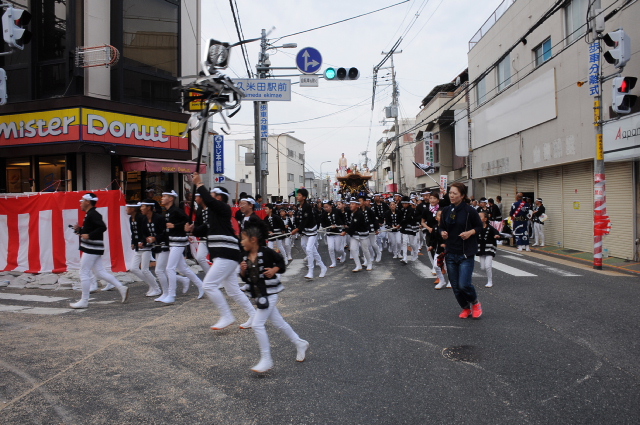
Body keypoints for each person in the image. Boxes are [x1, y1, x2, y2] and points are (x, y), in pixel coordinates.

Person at [239, 221, 309, 373]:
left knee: (257, 324)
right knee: (279, 323)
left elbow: (281, 263)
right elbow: (245, 278)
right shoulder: (246, 256)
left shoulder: (267, 252)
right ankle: (299, 343)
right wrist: (243, 271)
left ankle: (267, 359)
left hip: (270, 294)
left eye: (244, 239)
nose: (241, 242)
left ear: (253, 240)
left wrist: (274, 269)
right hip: (259, 295)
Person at [190, 173, 256, 330]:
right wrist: (191, 229)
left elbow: (210, 201)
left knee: (209, 285)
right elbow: (203, 229)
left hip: (227, 253)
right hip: (224, 254)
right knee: (233, 291)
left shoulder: (224, 208)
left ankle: (227, 316)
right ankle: (254, 315)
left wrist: (199, 184)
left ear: (219, 197)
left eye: (212, 195)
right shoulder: (213, 215)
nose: (208, 197)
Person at [70, 193, 128, 309]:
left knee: (84, 272)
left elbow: (102, 227)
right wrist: (80, 230)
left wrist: (89, 235)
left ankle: (84, 300)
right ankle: (121, 287)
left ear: (88, 202)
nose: (80, 203)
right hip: (94, 248)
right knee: (99, 272)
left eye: (82, 201)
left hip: (92, 248)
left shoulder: (93, 214)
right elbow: (92, 229)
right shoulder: (91, 214)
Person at [440, 183, 484, 319]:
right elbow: (441, 227)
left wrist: (470, 232)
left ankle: (475, 303)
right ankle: (465, 308)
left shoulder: (470, 211)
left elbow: (479, 226)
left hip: (466, 253)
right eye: (450, 193)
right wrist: (443, 233)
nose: (451, 196)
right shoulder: (446, 210)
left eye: (455, 193)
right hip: (450, 252)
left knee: (464, 284)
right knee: (455, 286)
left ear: (462, 195)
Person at [156, 190, 204, 304]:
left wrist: (175, 225)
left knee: (170, 268)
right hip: (172, 242)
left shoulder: (177, 211)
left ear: (171, 198)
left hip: (178, 242)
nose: (162, 198)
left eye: (164, 196)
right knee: (183, 269)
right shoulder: (168, 212)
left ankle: (171, 295)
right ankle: (201, 285)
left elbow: (188, 221)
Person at [126, 201, 162, 296]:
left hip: (146, 246)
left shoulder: (141, 218)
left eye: (128, 208)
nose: (126, 210)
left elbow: (144, 232)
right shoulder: (130, 218)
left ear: (133, 209)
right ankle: (151, 284)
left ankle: (156, 288)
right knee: (133, 268)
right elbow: (133, 232)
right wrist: (133, 242)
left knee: (144, 269)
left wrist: (144, 241)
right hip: (138, 246)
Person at [291, 188, 327, 279]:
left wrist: (298, 229)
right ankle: (323, 267)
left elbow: (305, 220)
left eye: (299, 195)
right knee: (306, 246)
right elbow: (298, 219)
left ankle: (311, 271)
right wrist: (297, 229)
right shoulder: (299, 206)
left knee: (309, 249)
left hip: (311, 230)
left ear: (304, 197)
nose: (297, 197)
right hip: (304, 230)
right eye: (297, 195)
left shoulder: (307, 206)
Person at [138, 199, 165, 297]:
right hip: (156, 247)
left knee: (160, 271)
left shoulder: (159, 218)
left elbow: (165, 233)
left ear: (149, 207)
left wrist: (155, 238)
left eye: (143, 206)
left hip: (165, 246)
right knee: (165, 270)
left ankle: (166, 292)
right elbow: (144, 233)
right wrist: (144, 242)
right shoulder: (145, 219)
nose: (141, 208)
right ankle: (167, 291)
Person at [341, 199, 372, 272]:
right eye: (350, 204)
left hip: (363, 234)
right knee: (352, 249)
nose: (350, 205)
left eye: (353, 204)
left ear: (358, 205)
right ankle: (358, 265)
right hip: (355, 234)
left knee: (365, 250)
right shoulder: (352, 213)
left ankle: (369, 263)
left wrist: (345, 232)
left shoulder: (359, 214)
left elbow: (354, 225)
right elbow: (351, 223)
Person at [477, 211, 502, 288]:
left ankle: (490, 281)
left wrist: (497, 236)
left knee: (488, 265)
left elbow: (496, 233)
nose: (478, 218)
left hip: (489, 248)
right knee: (483, 267)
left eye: (480, 217)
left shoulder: (490, 228)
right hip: (481, 249)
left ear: (485, 219)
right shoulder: (477, 228)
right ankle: (489, 279)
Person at [320, 200, 346, 268]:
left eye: (327, 207)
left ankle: (343, 254)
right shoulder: (324, 214)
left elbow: (343, 220)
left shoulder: (337, 211)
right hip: (330, 233)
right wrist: (329, 226)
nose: (326, 208)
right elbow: (323, 224)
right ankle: (333, 262)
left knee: (338, 249)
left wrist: (339, 225)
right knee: (331, 248)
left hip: (337, 232)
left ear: (331, 206)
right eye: (324, 207)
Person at [429, 210, 450, 290]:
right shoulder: (435, 227)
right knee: (436, 265)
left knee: (449, 266)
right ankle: (442, 280)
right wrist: (431, 246)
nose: (440, 217)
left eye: (442, 215)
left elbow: (453, 237)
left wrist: (446, 243)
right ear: (436, 217)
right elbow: (433, 239)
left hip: (448, 249)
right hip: (439, 249)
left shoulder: (448, 226)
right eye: (439, 215)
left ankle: (451, 281)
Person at [399, 197, 419, 264]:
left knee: (411, 243)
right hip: (404, 228)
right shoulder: (402, 210)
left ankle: (415, 252)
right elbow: (401, 218)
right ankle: (405, 258)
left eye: (405, 203)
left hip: (411, 228)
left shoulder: (412, 210)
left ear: (408, 203)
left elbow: (407, 219)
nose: (404, 205)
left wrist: (400, 224)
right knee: (404, 242)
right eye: (403, 204)